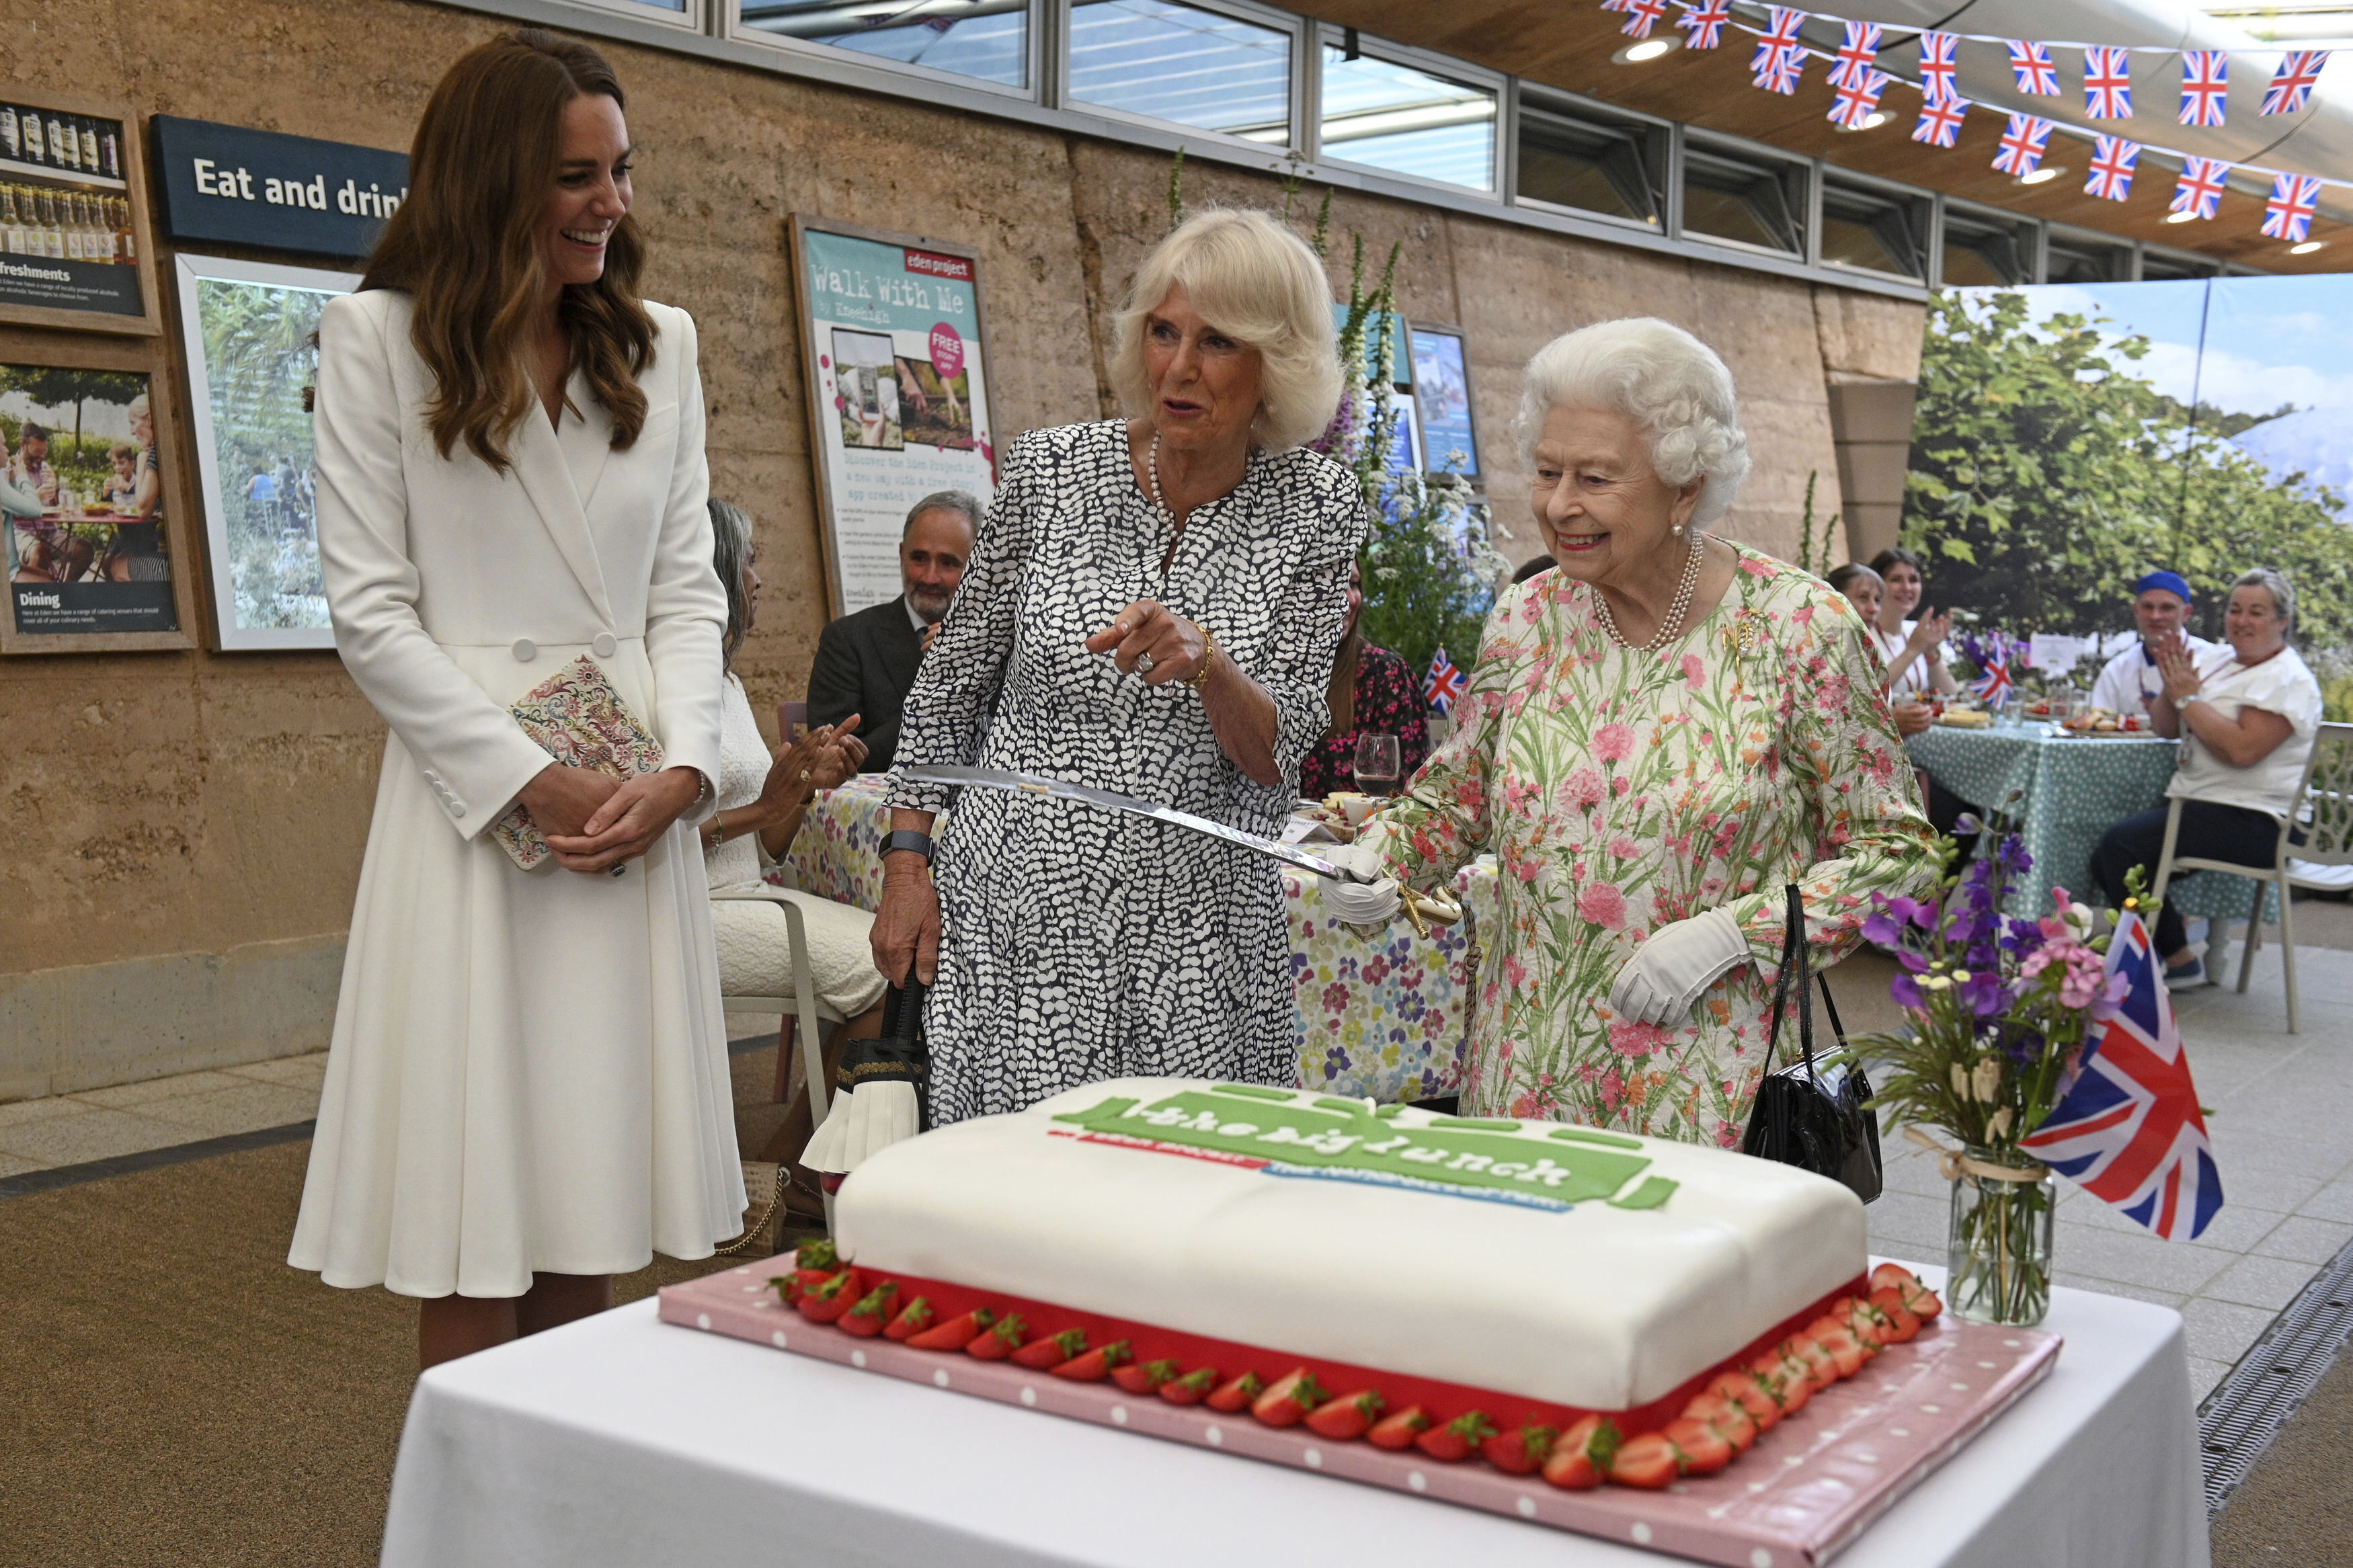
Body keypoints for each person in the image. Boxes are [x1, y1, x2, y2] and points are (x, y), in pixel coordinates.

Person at [290, 30, 742, 1370]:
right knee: (476, 1213)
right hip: (477, 812)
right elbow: (372, 613)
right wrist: (531, 779)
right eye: (573, 176)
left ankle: (562, 1499)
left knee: (591, 1186)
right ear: (492, 182)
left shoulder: (661, 345)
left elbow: (689, 593)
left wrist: (685, 771)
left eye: (620, 170)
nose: (612, 201)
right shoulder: (377, 339)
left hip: (631, 800)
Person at [1334, 319, 1938, 1143]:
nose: (1558, 505)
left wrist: (1733, 934)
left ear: (1684, 485)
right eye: (1546, 472)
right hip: (1519, 1082)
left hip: (1706, 1100)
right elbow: (1456, 794)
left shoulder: (1799, 628)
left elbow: (1898, 858)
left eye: (1595, 477)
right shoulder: (1527, 614)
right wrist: (1385, 856)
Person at [872, 208, 1365, 1124]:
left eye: (1217, 342)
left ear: (1277, 364)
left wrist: (1211, 666)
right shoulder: (1053, 470)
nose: (1177, 368)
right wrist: (907, 867)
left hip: (1198, 928)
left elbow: (1281, 754)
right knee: (1018, 1193)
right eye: (1163, 332)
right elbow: (950, 687)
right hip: (1022, 911)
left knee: (1177, 1201)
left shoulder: (1318, 505)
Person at [700, 497, 888, 1213]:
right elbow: (649, 838)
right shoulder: (664, 682)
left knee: (890, 949)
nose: (759, 579)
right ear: (710, 571)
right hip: (690, 910)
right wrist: (765, 804)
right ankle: (807, 1172)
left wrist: (805, 787)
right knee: (880, 967)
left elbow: (764, 844)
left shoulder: (725, 680)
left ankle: (791, 1158)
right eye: (747, 561)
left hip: (746, 892)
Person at [2090, 569, 2321, 991]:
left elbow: (2240, 752)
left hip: (2260, 821)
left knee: (2121, 848)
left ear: (2282, 621)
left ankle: (2166, 960)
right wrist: (2170, 682)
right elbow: (2165, 727)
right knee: (2115, 852)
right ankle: (2173, 955)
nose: (2242, 621)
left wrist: (2188, 697)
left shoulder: (2288, 678)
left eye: (2256, 612)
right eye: (2235, 610)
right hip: (2204, 806)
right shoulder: (2217, 659)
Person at [805, 491, 976, 772]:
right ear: (901, 554)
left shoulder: (1001, 644)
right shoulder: (848, 640)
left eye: (948, 563)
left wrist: (970, 669)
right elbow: (836, 763)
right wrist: (939, 688)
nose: (930, 577)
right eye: (919, 558)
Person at [1300, 561, 1430, 799]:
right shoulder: (1266, 669)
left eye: (1354, 584)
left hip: (1358, 833)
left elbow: (1407, 792)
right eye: (1337, 584)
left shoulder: (1383, 674)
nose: (1350, 599)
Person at [2090, 571, 2221, 718]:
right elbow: (2098, 721)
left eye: (2167, 608)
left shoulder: (2214, 660)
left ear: (2186, 613)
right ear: (2136, 610)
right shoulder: (2117, 670)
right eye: (2148, 607)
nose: (2155, 616)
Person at [1829, 563, 1930, 737]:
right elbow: (1830, 726)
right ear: (1834, 599)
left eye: (1877, 600)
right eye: (1863, 598)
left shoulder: (1860, 648)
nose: (1874, 608)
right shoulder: (1825, 652)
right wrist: (1889, 721)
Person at [1866, 547, 1958, 702]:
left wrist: (1930, 653)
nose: (1907, 588)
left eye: (1914, 580)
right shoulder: (1864, 634)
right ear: (1877, 586)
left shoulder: (1916, 631)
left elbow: (1951, 694)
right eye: (1896, 580)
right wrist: (1913, 650)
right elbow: (1869, 692)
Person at [102, 395, 168, 583]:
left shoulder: (158, 449)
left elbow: (142, 509)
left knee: (118, 564)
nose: (131, 432)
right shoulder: (171, 444)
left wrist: (142, 459)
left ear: (149, 419)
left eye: (133, 423)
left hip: (178, 567)